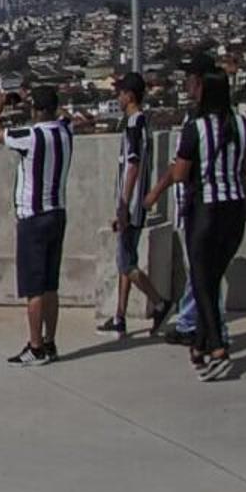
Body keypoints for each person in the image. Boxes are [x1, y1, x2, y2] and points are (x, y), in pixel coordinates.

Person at [166, 64, 246, 383]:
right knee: (212, 277)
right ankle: (201, 345)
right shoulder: (242, 125)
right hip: (234, 210)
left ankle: (217, 349)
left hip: (204, 210)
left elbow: (179, 174)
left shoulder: (196, 129)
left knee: (202, 280)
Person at [0, 83, 72, 368]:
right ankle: (50, 342)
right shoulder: (64, 131)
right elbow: (65, 116)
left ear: (37, 110)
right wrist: (34, 101)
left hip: (33, 217)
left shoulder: (32, 136)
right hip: (57, 213)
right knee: (50, 284)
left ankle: (36, 346)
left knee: (33, 287)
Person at [98, 71, 173, 340]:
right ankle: (120, 316)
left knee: (127, 264)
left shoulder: (134, 124)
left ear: (129, 95)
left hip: (131, 206)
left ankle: (160, 303)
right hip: (135, 205)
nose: (117, 97)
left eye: (120, 92)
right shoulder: (141, 123)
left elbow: (133, 166)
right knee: (125, 262)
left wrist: (123, 205)